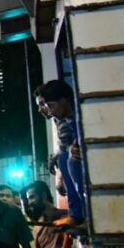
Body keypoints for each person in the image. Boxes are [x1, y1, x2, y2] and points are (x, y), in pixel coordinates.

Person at [34, 80, 85, 225]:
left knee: (71, 161)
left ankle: (85, 212)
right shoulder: (62, 118)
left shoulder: (80, 112)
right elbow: (66, 144)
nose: (47, 110)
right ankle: (76, 214)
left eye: (49, 105)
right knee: (63, 158)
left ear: (63, 101)